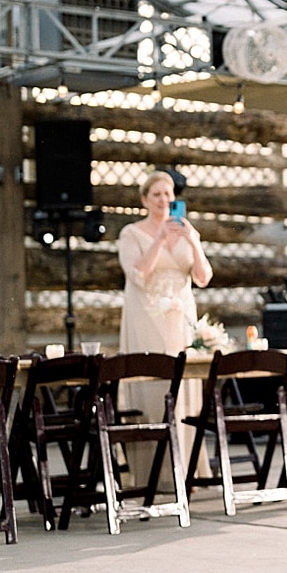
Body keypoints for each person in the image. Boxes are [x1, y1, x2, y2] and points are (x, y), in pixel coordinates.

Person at [117, 170, 214, 487]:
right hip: (147, 315)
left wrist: (192, 241)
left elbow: (203, 277)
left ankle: (187, 469)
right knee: (154, 387)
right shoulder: (132, 233)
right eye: (157, 194)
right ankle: (152, 475)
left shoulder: (185, 229)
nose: (163, 200)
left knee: (184, 385)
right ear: (145, 199)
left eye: (168, 194)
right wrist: (160, 240)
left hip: (179, 316)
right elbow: (138, 274)